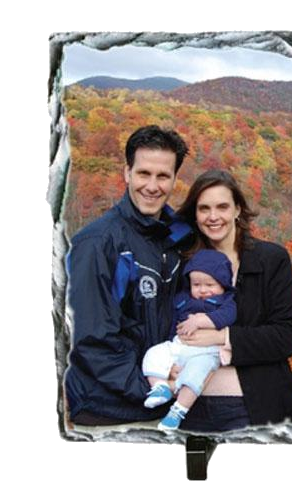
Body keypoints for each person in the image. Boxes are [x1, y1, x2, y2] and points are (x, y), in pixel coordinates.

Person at [64, 125, 192, 425]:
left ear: (175, 180)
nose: (152, 186)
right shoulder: (98, 244)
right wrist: (153, 387)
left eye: (163, 176)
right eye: (143, 173)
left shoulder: (175, 240)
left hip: (160, 400)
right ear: (127, 173)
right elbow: (91, 339)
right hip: (109, 409)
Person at [173, 169, 292, 432]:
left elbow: (287, 336)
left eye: (222, 207)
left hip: (253, 407)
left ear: (237, 209)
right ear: (195, 215)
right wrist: (168, 366)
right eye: (204, 208)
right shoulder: (184, 265)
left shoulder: (271, 260)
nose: (213, 217)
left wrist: (222, 337)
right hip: (188, 412)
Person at [141, 249, 237, 430]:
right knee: (154, 354)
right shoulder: (182, 299)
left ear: (223, 284)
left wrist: (199, 321)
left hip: (205, 352)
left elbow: (227, 317)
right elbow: (173, 324)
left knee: (196, 375)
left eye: (210, 284)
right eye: (196, 284)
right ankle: (160, 387)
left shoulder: (226, 301)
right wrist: (171, 349)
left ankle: (178, 411)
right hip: (180, 344)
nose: (203, 290)